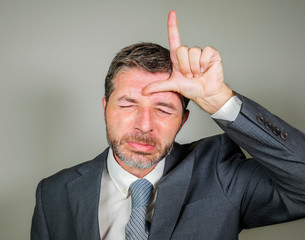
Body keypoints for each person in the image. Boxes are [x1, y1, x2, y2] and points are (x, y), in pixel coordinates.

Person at [31, 11, 305, 240]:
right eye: (128, 104)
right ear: (105, 108)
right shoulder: (53, 194)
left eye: (163, 109)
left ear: (183, 121)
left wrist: (218, 99)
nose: (144, 124)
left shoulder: (221, 174)